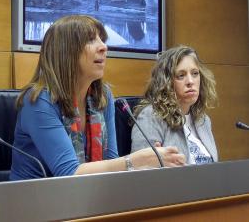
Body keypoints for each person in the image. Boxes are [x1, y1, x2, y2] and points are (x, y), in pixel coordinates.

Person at [10, 15, 185, 180]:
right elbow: (69, 174)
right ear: (65, 52)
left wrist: (146, 165)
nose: (104, 47)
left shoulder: (102, 97)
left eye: (102, 40)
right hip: (35, 205)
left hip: (88, 200)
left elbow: (111, 161)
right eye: (91, 40)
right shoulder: (39, 101)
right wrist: (136, 161)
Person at [131, 45, 218, 165]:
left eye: (195, 73)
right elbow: (139, 169)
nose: (190, 81)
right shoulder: (151, 116)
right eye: (181, 75)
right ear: (166, 82)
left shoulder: (203, 120)